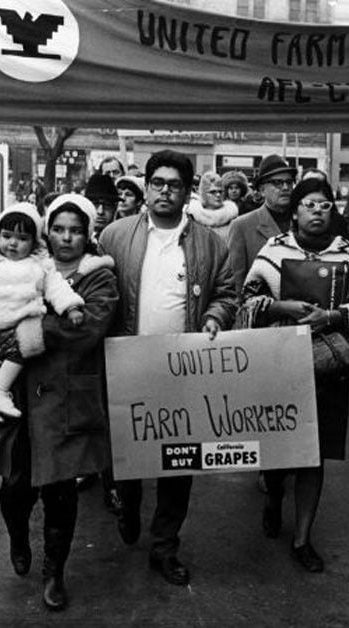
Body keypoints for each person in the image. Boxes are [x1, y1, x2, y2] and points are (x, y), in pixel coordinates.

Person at [98, 149, 237, 586]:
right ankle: (128, 504)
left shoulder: (210, 243)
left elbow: (226, 292)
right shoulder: (115, 236)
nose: (164, 191)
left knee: (179, 462)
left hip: (183, 370)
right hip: (126, 364)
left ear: (187, 190)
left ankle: (165, 545)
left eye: (174, 185)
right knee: (127, 456)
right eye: (156, 183)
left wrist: (214, 317)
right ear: (145, 186)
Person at [0, 194, 118, 610]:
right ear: (46, 230)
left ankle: (54, 572)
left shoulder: (99, 276)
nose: (66, 238)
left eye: (76, 230)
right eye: (58, 229)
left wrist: (32, 328)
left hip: (67, 396)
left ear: (88, 234)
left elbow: (89, 327)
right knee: (14, 485)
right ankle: (19, 538)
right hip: (19, 393)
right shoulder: (26, 265)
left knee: (61, 491)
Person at [238, 177, 349, 572]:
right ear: (295, 210)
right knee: (279, 446)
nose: (318, 211)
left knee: (314, 455)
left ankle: (302, 538)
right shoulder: (274, 249)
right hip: (279, 361)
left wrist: (331, 315)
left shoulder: (348, 252)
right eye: (310, 204)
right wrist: (284, 308)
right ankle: (273, 495)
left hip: (328, 366)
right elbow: (248, 300)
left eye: (325, 205)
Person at [0, 203, 85, 420]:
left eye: (23, 238)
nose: (13, 243)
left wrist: (70, 306)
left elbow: (56, 286)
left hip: (22, 318)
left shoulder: (40, 264)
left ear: (34, 242)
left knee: (10, 355)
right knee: (24, 346)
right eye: (7, 236)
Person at [227, 154, 297, 295]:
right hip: (262, 311)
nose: (285, 187)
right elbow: (236, 282)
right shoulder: (242, 226)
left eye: (289, 182)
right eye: (277, 183)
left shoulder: (301, 222)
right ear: (262, 190)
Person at [186, 171, 240, 240]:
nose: (218, 195)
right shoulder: (191, 217)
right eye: (213, 192)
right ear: (203, 193)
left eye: (220, 191)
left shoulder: (232, 217)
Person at [84, 173, 119, 238]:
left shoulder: (121, 238)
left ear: (115, 208)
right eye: (95, 204)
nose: (100, 211)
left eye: (107, 205)